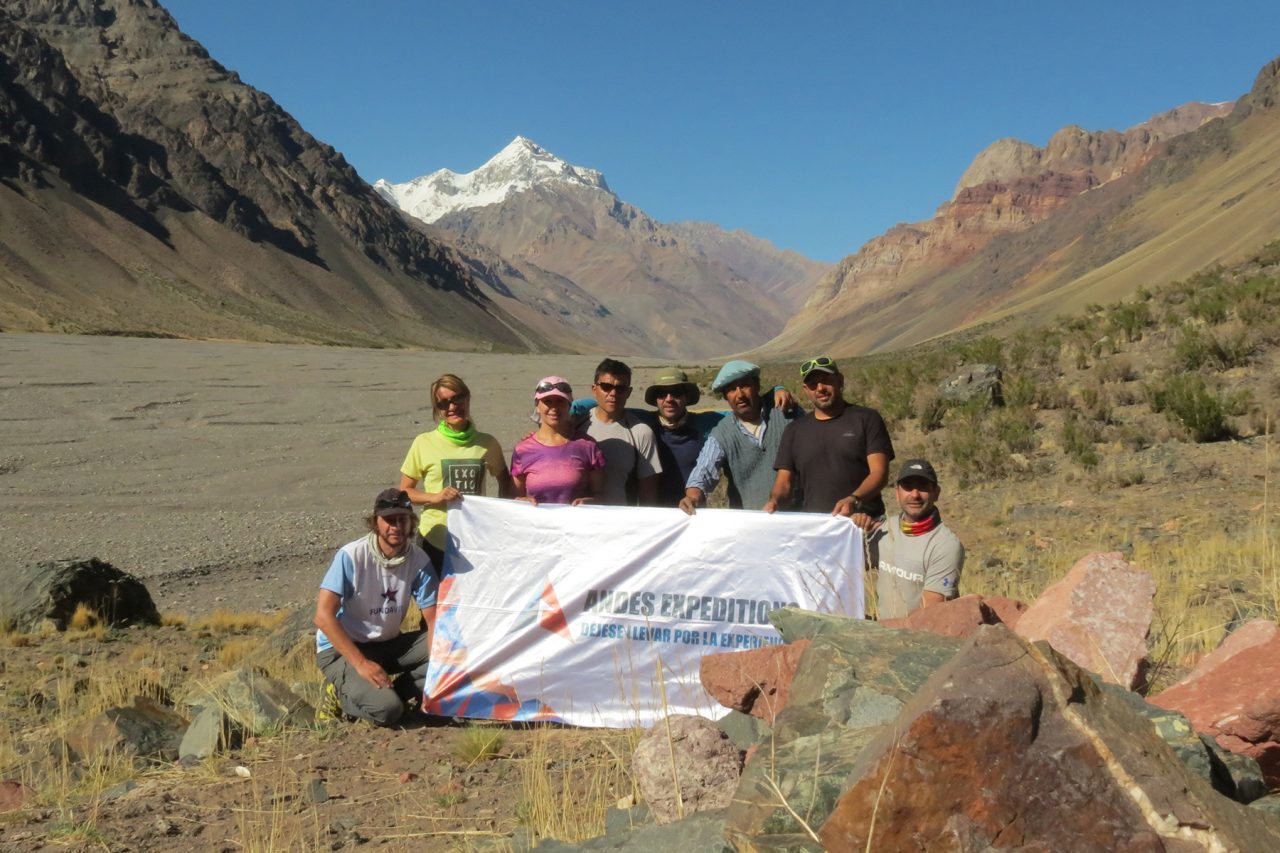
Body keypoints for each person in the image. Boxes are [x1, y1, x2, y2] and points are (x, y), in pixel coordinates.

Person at [314, 488, 437, 727]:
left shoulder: (419, 559)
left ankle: (394, 695)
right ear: (375, 522)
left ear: (411, 522)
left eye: (402, 519)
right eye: (389, 520)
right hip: (343, 650)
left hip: (387, 644)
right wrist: (360, 664)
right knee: (388, 712)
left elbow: (434, 620)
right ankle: (341, 694)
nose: (396, 526)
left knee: (451, 655)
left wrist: (440, 667)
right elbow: (323, 617)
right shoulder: (352, 556)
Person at [399, 374, 511, 572]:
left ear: (467, 398)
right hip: (435, 540)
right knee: (433, 602)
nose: (452, 407)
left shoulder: (488, 443)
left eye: (457, 398)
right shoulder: (423, 442)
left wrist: (500, 515)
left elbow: (505, 482)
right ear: (437, 410)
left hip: (475, 540)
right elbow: (405, 492)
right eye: (443, 403)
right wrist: (435, 497)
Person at [764, 356, 894, 516]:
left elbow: (879, 473)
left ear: (840, 381)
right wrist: (775, 501)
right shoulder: (794, 430)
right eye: (813, 384)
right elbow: (784, 483)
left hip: (862, 523)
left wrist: (854, 499)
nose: (820, 388)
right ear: (805, 389)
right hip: (817, 528)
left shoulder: (866, 419)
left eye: (826, 380)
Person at [679, 360, 799, 513]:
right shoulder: (722, 433)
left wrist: (779, 388)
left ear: (757, 385)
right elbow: (704, 470)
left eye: (744, 385)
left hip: (797, 521)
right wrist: (692, 497)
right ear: (725, 396)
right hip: (748, 526)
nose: (740, 395)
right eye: (731, 390)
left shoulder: (785, 412)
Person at [854, 459, 964, 619]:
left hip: (919, 639)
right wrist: (854, 535)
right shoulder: (885, 529)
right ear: (897, 493)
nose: (915, 494)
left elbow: (929, 615)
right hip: (882, 633)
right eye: (907, 487)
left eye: (923, 486)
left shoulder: (946, 546)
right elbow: (848, 568)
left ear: (936, 492)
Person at [511, 376, 605, 505]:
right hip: (535, 524)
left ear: (569, 405)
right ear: (537, 406)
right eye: (547, 401)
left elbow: (600, 494)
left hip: (576, 523)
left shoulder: (588, 446)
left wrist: (590, 502)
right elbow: (513, 498)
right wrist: (521, 501)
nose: (554, 407)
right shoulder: (522, 449)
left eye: (560, 401)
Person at [584, 358, 662, 506]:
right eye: (606, 386)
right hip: (580, 521)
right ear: (594, 389)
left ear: (629, 392)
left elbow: (648, 494)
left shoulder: (641, 433)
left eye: (620, 388)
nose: (613, 393)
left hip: (623, 524)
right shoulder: (577, 425)